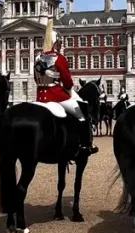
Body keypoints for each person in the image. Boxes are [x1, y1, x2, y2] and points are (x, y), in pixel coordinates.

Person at [34, 19, 97, 155]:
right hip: (56, 96)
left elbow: (36, 79)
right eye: (59, 43)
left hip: (40, 97)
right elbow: (67, 82)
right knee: (81, 116)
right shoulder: (59, 58)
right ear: (56, 43)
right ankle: (85, 145)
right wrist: (68, 89)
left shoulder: (38, 58)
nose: (60, 45)